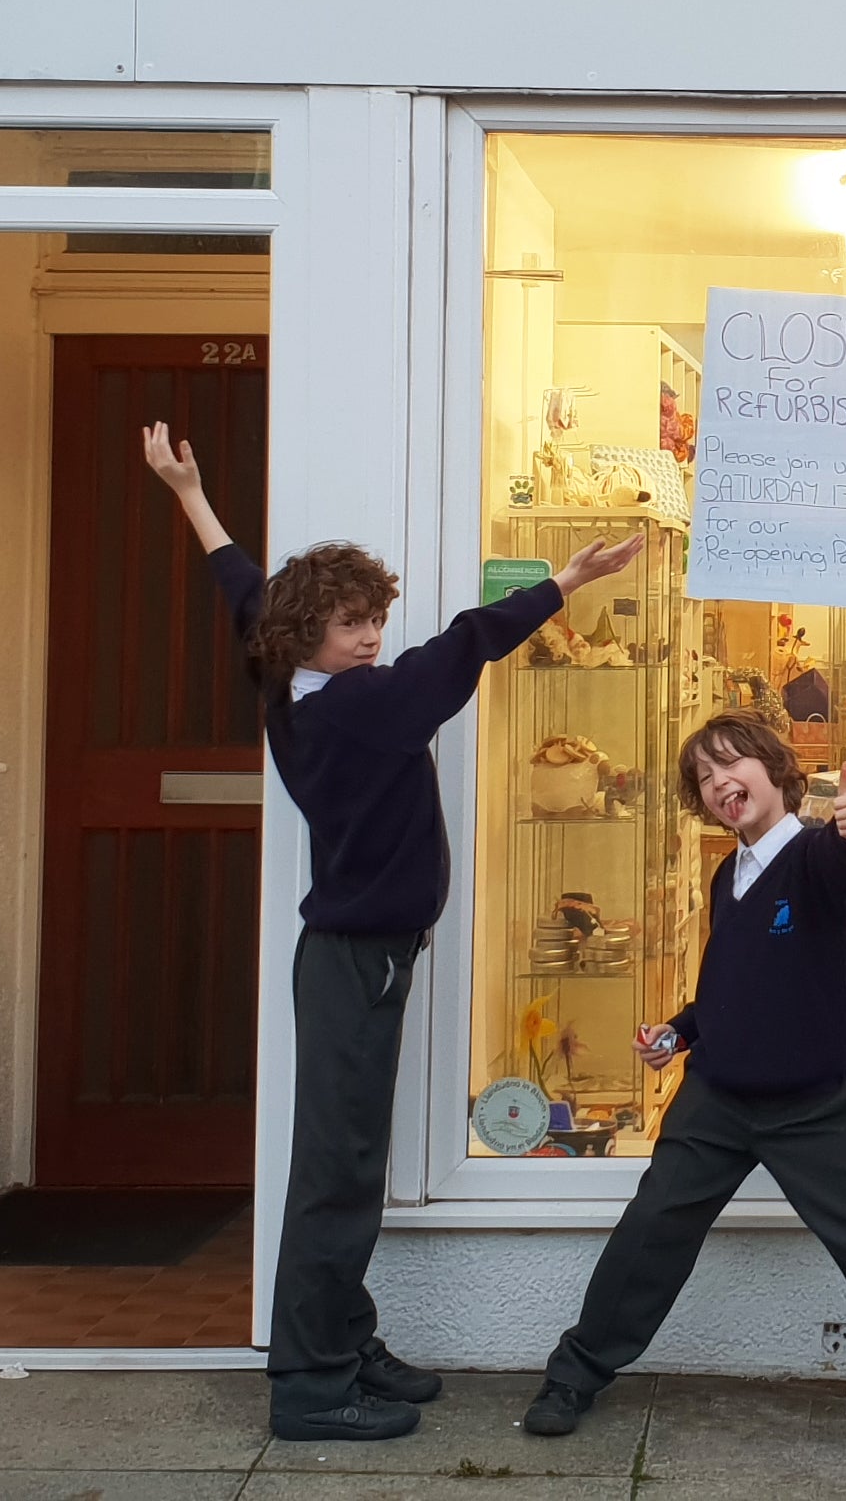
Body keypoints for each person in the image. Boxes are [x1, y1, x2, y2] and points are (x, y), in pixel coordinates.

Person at [144, 421, 641, 1445]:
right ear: (307, 635)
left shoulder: (283, 678)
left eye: (375, 619)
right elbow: (465, 642)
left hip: (349, 959)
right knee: (338, 1173)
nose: (371, 637)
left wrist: (190, 495)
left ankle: (344, 1339)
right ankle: (312, 1385)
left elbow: (241, 587)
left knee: (347, 1161)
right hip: (357, 963)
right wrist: (563, 582)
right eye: (351, 624)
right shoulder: (362, 707)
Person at [521, 712, 846, 1447]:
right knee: (651, 1231)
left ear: (775, 770)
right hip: (715, 1101)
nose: (720, 783)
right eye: (704, 777)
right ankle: (573, 1375)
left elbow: (842, 861)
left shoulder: (815, 854)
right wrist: (679, 1033)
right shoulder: (729, 874)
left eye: (732, 764)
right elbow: (729, 984)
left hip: (809, 1107)